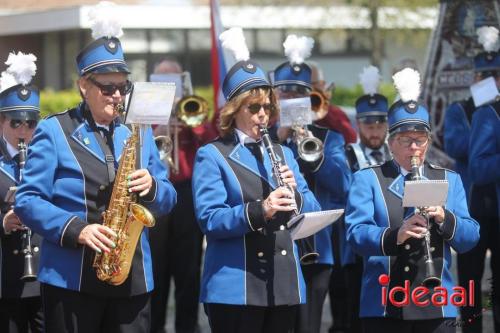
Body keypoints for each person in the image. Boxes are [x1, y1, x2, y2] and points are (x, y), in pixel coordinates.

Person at [13, 2, 177, 332]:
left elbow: (170, 196)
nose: (117, 96)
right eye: (108, 88)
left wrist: (154, 187)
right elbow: (28, 200)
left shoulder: (138, 130)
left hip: (132, 277)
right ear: (83, 86)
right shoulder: (55, 130)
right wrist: (77, 229)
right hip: (72, 279)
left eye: (123, 87)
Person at [192, 27, 321, 333]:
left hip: (284, 281)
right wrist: (260, 209)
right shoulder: (212, 155)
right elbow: (210, 219)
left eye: (267, 107)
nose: (263, 114)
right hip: (236, 287)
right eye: (254, 107)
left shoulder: (283, 152)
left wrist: (295, 195)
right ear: (235, 109)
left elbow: (312, 206)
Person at [345, 67, 480, 333]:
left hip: (438, 302)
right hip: (384, 302)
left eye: (420, 140)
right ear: (391, 142)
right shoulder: (368, 179)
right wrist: (397, 235)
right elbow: (355, 235)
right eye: (406, 140)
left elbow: (470, 237)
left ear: (428, 142)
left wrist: (444, 217)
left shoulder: (448, 179)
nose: (414, 148)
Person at [273, 35, 351, 333]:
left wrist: (313, 153)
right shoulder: (260, 137)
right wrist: (278, 138)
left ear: (310, 98)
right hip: (272, 246)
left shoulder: (330, 138)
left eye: (299, 93)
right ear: (274, 97)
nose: (291, 99)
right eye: (285, 93)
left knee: (308, 326)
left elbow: (344, 185)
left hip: (315, 249)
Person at [149, 58, 218, 333]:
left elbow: (212, 141)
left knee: (188, 271)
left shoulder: (191, 105)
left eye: (173, 78)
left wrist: (191, 121)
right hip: (154, 193)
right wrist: (160, 131)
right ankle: (154, 326)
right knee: (156, 268)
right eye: (162, 78)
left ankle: (187, 326)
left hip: (187, 193)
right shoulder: (146, 110)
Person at [328, 65, 391, 333]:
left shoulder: (396, 154)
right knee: (355, 314)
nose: (374, 131)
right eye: (368, 124)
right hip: (356, 251)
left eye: (379, 124)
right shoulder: (347, 154)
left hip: (391, 246)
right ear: (358, 124)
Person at [0, 52, 43, 333]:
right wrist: (3, 221)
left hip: (44, 277)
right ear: (2, 122)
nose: (24, 130)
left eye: (30, 123)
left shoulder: (47, 158)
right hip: (4, 280)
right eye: (16, 122)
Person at [468, 26, 500, 333]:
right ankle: (471, 326)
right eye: (486, 75)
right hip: (479, 208)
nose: (492, 81)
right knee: (473, 281)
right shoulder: (482, 113)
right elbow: (478, 167)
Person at [308, 61, 357, 144]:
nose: (311, 89)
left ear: (323, 85)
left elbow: (351, 139)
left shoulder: (335, 113)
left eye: (315, 84)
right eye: (307, 84)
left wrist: (326, 112)